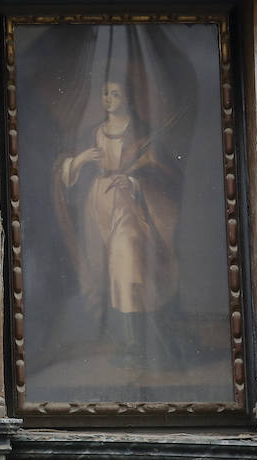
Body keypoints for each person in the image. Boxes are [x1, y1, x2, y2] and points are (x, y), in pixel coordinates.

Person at [56, 78, 181, 364]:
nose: (109, 99)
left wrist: (135, 183)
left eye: (116, 93)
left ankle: (135, 341)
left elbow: (163, 172)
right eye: (105, 93)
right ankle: (121, 338)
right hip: (98, 205)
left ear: (127, 98)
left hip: (129, 204)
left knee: (127, 261)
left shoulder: (140, 133)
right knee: (107, 268)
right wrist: (81, 159)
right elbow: (64, 168)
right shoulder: (93, 133)